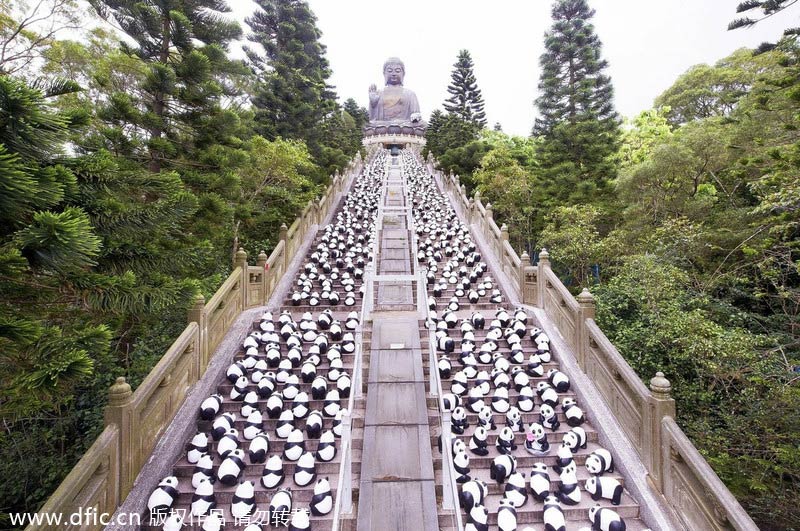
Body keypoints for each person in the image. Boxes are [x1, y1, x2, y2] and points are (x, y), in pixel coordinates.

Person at [368, 57, 423, 125]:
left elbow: (416, 113)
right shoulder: (379, 93)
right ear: (384, 73)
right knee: (371, 125)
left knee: (421, 124)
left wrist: (416, 115)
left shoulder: (410, 93)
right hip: (382, 124)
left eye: (397, 71)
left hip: (404, 124)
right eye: (390, 71)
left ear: (403, 73)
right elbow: (371, 118)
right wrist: (373, 104)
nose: (394, 74)